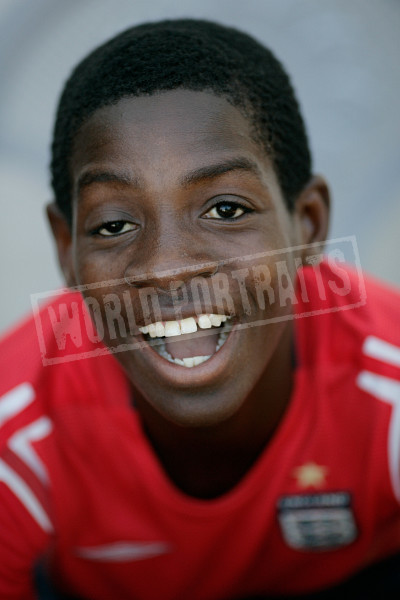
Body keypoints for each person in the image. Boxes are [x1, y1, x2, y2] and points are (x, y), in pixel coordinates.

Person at [1, 18, 400, 600]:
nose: (167, 268)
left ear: (308, 224)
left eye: (227, 210)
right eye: (113, 225)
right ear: (67, 250)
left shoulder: (386, 380)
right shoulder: (19, 424)